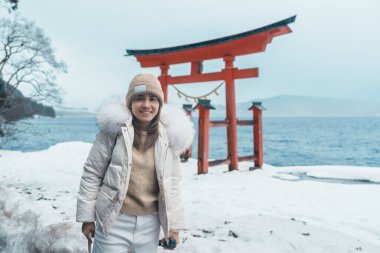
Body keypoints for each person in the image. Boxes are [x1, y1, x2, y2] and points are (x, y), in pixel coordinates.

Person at [76, 73, 194, 252]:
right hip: (112, 220)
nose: (146, 105)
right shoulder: (114, 132)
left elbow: (173, 185)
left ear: (159, 105)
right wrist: (87, 218)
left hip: (150, 224)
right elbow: (92, 173)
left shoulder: (168, 138)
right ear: (130, 102)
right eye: (140, 98)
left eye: (152, 99)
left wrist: (174, 228)